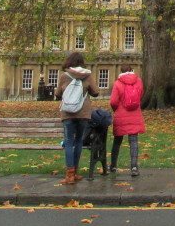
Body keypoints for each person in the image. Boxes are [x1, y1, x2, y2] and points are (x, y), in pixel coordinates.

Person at [55, 51, 99, 185]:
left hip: (68, 113)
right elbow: (96, 92)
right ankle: (75, 172)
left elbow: (58, 94)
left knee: (68, 142)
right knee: (79, 141)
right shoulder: (87, 75)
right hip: (83, 113)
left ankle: (70, 174)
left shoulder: (64, 76)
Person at [109, 65, 145, 177]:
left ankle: (113, 165)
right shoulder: (138, 81)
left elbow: (113, 101)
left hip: (120, 115)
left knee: (117, 141)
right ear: (131, 71)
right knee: (133, 141)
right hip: (135, 114)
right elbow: (140, 95)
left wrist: (116, 110)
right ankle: (134, 167)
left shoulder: (118, 83)